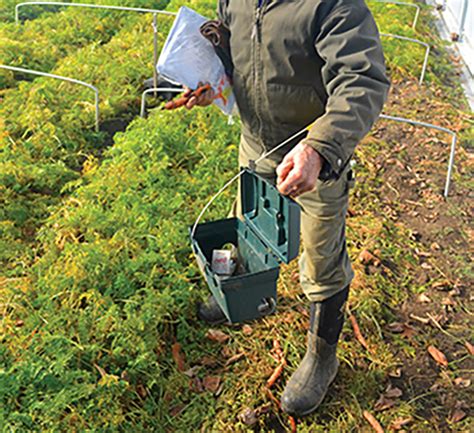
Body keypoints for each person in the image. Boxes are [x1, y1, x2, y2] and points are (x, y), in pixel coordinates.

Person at [187, 0, 390, 417]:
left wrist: (320, 147)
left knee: (320, 258)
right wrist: (212, 79)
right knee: (250, 225)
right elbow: (237, 51)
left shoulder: (333, 5)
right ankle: (245, 298)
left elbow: (362, 79)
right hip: (255, 143)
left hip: (310, 156)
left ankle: (321, 357)